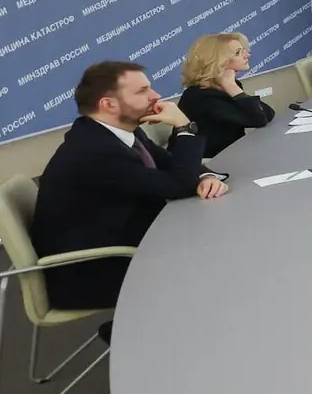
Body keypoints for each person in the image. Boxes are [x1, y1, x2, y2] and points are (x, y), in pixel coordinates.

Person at [31, 61, 228, 311]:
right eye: (142, 91)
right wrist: (184, 126)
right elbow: (177, 184)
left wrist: (205, 177)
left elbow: (173, 166)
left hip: (129, 242)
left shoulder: (121, 133)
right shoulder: (94, 151)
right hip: (94, 275)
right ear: (109, 104)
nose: (155, 95)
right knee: (215, 264)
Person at [176, 32, 274, 158]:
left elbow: (269, 113)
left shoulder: (228, 86)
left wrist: (232, 87)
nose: (247, 55)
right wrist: (231, 87)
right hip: (208, 162)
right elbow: (259, 120)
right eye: (238, 53)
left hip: (233, 154)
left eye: (244, 50)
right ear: (217, 61)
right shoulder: (200, 97)